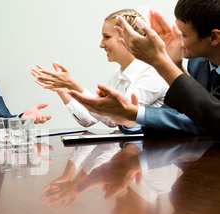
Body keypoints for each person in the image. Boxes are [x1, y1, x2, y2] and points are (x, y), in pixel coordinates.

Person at [69, 0, 220, 139]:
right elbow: (185, 116)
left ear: (214, 37)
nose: (176, 40)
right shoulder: (197, 63)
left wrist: (163, 63)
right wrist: (130, 117)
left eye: (183, 35)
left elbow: (213, 118)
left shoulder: (154, 71)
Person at [31, 9, 168, 132]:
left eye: (107, 37)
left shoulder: (153, 73)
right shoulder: (118, 75)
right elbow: (92, 119)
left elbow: (122, 114)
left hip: (160, 153)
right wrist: (64, 89)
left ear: (126, 37)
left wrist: (73, 84)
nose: (101, 44)